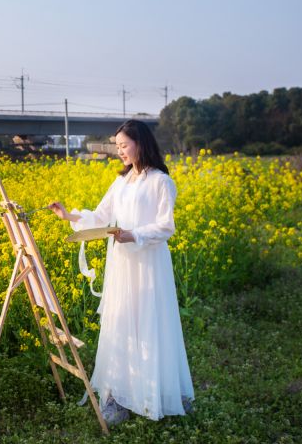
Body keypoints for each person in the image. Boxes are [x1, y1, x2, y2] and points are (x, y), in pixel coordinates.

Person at [47, 119, 194, 426]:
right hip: (123, 264)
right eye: (117, 147)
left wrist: (134, 234)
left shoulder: (160, 181)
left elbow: (166, 226)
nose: (120, 152)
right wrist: (67, 216)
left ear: (141, 143)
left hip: (148, 264)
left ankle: (156, 393)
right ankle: (120, 396)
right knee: (122, 322)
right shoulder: (121, 182)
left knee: (150, 322)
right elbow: (100, 216)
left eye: (124, 146)